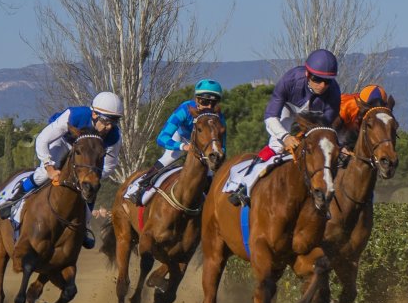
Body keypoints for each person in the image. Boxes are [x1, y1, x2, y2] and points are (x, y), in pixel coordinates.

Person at [0, 91, 123, 248]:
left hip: (85, 157)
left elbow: (110, 165)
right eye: (106, 121)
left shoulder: (115, 136)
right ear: (94, 114)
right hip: (62, 142)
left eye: (114, 122)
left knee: (92, 186)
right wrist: (49, 167)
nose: (109, 127)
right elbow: (42, 139)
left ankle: (85, 225)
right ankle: (13, 200)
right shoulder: (74, 115)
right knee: (43, 173)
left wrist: (89, 174)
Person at [228, 49, 342, 206]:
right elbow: (270, 116)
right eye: (317, 79)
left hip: (314, 118)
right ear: (308, 74)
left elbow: (325, 129)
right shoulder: (290, 79)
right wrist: (286, 137)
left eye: (327, 81)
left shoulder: (334, 92)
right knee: (277, 144)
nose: (322, 86)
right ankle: (244, 185)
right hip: (288, 107)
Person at [127, 79, 226, 205]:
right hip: (182, 138)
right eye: (205, 101)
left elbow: (223, 147)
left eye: (213, 103)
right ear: (197, 100)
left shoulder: (219, 118)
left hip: (204, 144)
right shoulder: (185, 109)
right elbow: (162, 137)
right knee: (168, 158)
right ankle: (139, 187)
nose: (208, 107)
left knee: (211, 173)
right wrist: (182, 146)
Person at [337, 84, 393, 153]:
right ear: (362, 105)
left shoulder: (383, 112)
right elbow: (330, 127)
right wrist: (340, 147)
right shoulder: (348, 106)